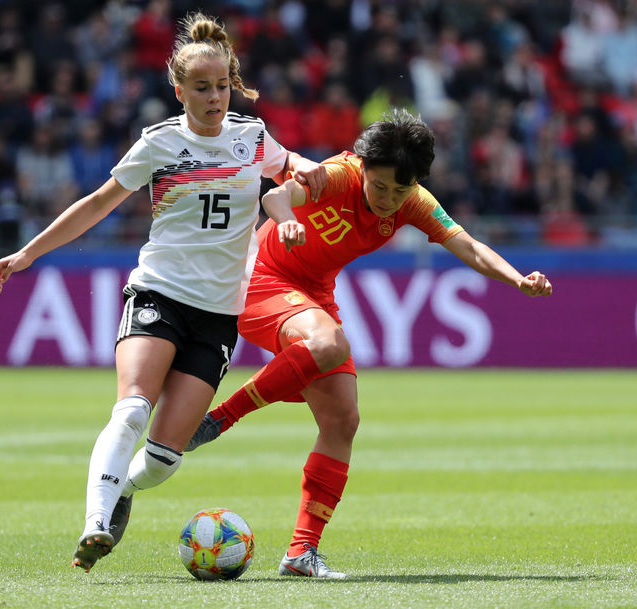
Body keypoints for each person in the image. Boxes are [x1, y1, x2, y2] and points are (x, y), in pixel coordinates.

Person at [0, 12, 326, 573]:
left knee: (167, 457)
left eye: (222, 85)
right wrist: (29, 252)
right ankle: (95, 522)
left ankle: (121, 491)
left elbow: (291, 164)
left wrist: (308, 166)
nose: (215, 96)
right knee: (132, 410)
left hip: (219, 314)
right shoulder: (159, 144)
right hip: (160, 292)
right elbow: (97, 204)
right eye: (202, 87)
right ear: (179, 90)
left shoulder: (252, 137)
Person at [185, 108, 553, 578]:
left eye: (400, 191)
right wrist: (288, 220)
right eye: (379, 187)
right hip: (262, 279)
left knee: (342, 419)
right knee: (330, 343)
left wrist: (518, 280)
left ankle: (301, 553)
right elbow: (278, 196)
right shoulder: (339, 175)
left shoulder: (413, 200)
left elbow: (469, 245)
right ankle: (217, 420)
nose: (388, 200)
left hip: (314, 293)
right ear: (364, 169)